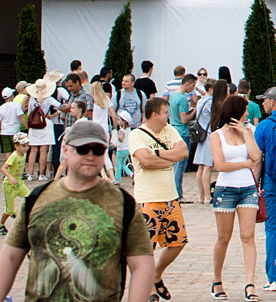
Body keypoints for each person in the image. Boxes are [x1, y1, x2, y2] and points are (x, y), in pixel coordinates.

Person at [0, 116, 154, 302]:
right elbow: (9, 256)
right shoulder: (37, 199)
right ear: (65, 150)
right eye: (82, 149)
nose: (90, 155)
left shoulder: (125, 204)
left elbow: (142, 264)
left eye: (97, 150)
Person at [128, 94, 188, 291]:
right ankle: (148, 288)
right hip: (148, 199)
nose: (167, 117)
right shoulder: (137, 134)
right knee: (147, 248)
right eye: (165, 113)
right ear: (154, 114)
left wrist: (159, 154)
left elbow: (184, 152)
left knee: (178, 242)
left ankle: (156, 273)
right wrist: (170, 158)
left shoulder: (169, 130)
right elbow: (145, 161)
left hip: (170, 197)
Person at [207, 92, 260, 298]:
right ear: (235, 112)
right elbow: (220, 165)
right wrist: (244, 164)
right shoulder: (216, 136)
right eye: (245, 110)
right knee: (224, 237)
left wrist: (246, 133)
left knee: (248, 236)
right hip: (225, 189)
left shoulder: (248, 130)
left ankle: (250, 284)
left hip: (247, 188)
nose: (247, 113)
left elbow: (256, 156)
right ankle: (217, 280)